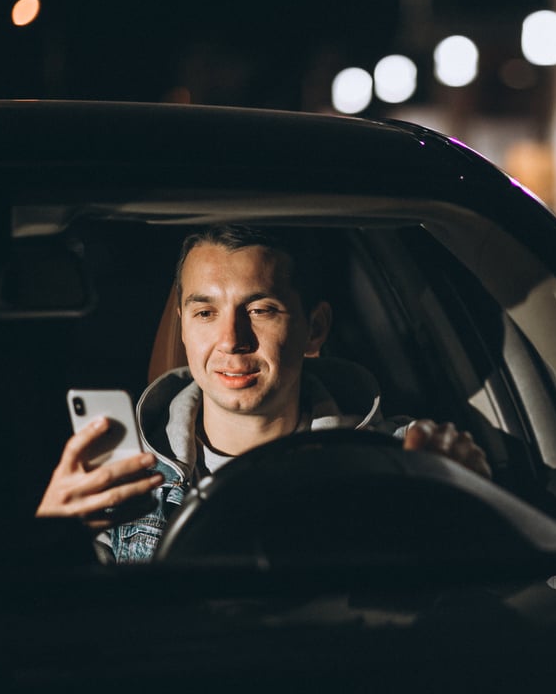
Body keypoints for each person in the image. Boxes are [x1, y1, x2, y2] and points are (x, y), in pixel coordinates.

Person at [36, 224, 490, 563]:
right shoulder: (124, 476)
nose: (231, 339)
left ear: (314, 330)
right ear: (183, 324)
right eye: (205, 312)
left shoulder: (397, 462)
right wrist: (53, 535)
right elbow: (68, 640)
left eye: (260, 309)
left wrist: (465, 499)